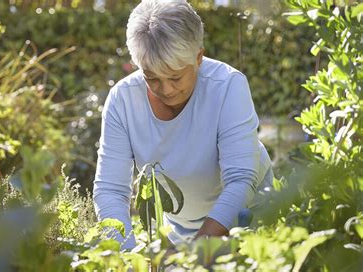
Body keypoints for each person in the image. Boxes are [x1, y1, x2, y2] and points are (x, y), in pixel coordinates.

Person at [93, 0, 273, 250]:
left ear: (198, 57)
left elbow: (241, 180)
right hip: (184, 233)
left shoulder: (228, 86)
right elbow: (111, 190)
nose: (166, 90)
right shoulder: (123, 100)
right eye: (151, 78)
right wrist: (126, 255)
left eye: (175, 77)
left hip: (249, 220)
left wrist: (194, 257)